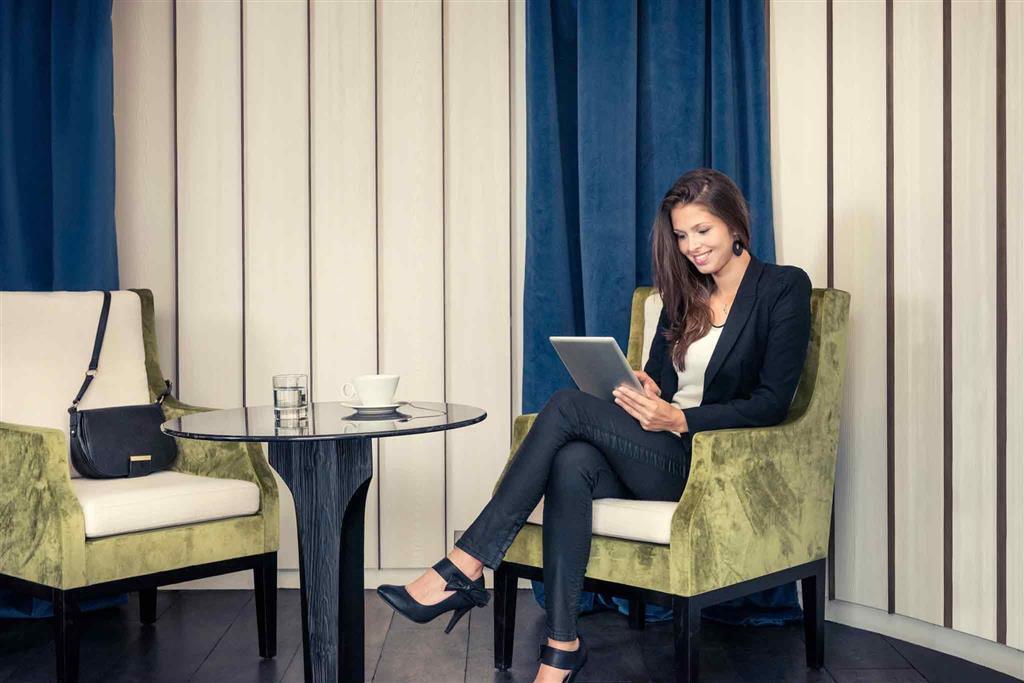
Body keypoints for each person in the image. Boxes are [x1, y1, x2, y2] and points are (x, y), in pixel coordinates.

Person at [377, 168, 813, 683]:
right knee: (572, 461)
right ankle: (561, 649)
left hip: (713, 466)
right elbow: (661, 379)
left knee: (566, 406)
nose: (691, 246)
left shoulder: (782, 286)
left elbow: (771, 404)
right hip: (659, 448)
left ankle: (464, 565)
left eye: (702, 230)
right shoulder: (684, 295)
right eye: (681, 235)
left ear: (734, 224)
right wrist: (647, 388)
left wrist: (681, 418)